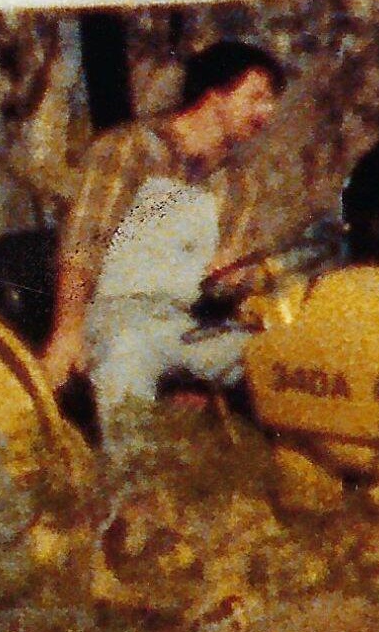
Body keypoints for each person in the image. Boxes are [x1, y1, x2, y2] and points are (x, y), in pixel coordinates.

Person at [37, 39, 290, 417]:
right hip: (116, 322)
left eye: (270, 102)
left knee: (278, 361)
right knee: (129, 359)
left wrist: (236, 277)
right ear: (215, 95)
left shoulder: (239, 185)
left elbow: (225, 286)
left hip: (186, 326)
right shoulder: (129, 150)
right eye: (256, 98)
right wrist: (67, 334)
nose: (265, 113)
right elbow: (81, 245)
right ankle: (130, 470)